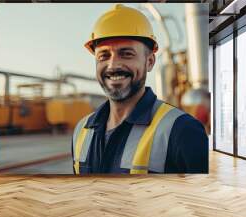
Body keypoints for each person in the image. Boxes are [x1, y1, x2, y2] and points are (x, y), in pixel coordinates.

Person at [72, 4, 208, 174]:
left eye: (126, 54)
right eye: (104, 56)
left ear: (150, 61)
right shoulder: (81, 130)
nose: (113, 65)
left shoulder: (182, 131)